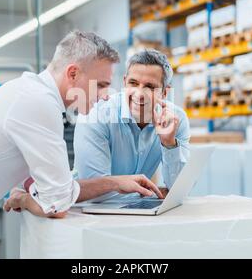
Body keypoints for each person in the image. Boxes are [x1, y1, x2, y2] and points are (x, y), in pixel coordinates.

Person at [0, 31, 162, 259]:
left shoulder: (31, 94)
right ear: (73, 73)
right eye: (102, 84)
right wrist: (26, 199)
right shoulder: (38, 103)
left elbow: (49, 188)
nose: (106, 96)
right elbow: (56, 203)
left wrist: (117, 182)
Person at [74, 49, 190, 198]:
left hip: (134, 210)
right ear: (124, 82)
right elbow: (96, 192)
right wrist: (147, 194)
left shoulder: (175, 120)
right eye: (133, 83)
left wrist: (169, 143)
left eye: (149, 87)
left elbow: (179, 190)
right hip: (88, 214)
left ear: (164, 93)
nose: (139, 94)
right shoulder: (96, 115)